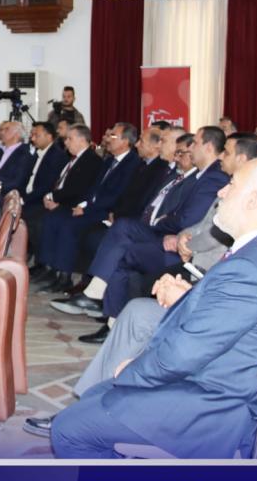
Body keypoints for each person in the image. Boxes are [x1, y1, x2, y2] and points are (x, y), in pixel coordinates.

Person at [27, 149, 257, 440]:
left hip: (235, 376)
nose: (222, 192)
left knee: (76, 426)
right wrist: (190, 295)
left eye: (232, 185)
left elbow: (224, 330)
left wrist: (136, 369)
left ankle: (104, 410)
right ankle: (96, 401)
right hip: (238, 338)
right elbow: (245, 304)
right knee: (137, 311)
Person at [65, 127, 230, 333]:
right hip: (167, 234)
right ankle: (111, 320)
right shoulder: (195, 175)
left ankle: (107, 313)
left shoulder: (212, 177)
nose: (190, 148)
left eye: (194, 143)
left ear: (208, 147)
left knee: (124, 239)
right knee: (121, 236)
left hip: (182, 248)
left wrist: (165, 227)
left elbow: (191, 220)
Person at [33, 123, 141, 294]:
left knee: (68, 224)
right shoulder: (109, 160)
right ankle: (51, 269)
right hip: (91, 207)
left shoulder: (132, 163)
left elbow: (117, 195)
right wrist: (83, 204)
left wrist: (87, 209)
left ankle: (65, 276)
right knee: (54, 217)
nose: (108, 139)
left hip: (105, 212)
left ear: (125, 141)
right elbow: (93, 188)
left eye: (113, 136)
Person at [27, 125, 103, 281]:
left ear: (82, 140)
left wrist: (55, 200)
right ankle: (47, 266)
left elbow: (78, 189)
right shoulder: (75, 158)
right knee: (45, 218)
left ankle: (60, 273)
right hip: (62, 201)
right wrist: (50, 197)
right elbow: (61, 183)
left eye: (69, 139)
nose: (66, 142)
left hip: (74, 205)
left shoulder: (91, 160)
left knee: (53, 220)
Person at [0, 120, 33, 196]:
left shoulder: (24, 153)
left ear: (17, 135)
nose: (2, 132)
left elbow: (18, 182)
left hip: (5, 194)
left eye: (7, 129)